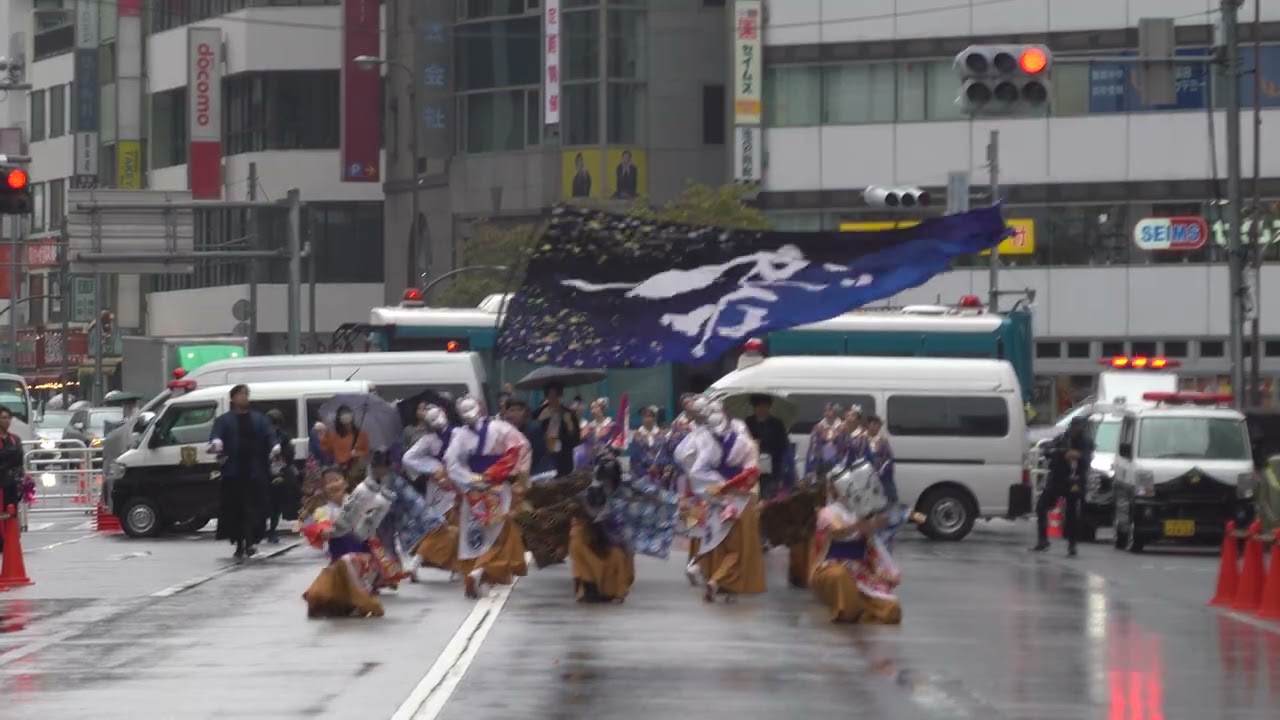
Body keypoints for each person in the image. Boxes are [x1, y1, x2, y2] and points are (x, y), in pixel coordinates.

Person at [444, 395, 532, 599]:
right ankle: (480, 571)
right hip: (498, 488)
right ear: (480, 409)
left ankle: (475, 571)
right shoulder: (501, 428)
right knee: (500, 534)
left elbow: (451, 464)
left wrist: (470, 480)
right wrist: (519, 476)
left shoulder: (460, 436)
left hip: (472, 492)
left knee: (473, 534)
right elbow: (522, 448)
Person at [683, 409, 767, 603]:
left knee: (716, 542)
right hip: (740, 500)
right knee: (738, 549)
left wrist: (712, 490)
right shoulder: (744, 444)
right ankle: (719, 581)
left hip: (715, 499)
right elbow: (752, 472)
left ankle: (701, 567)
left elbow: (694, 471)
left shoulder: (707, 446)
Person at [810, 461, 902, 625]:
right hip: (832, 566)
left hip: (860, 568)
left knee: (892, 610)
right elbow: (838, 530)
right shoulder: (828, 512)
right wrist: (860, 523)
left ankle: (865, 611)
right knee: (839, 577)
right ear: (833, 490)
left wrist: (876, 518)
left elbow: (873, 536)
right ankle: (850, 609)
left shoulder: (859, 511)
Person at [300, 470, 387, 618]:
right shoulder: (323, 511)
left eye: (336, 480)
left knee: (351, 565)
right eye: (328, 482)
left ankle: (362, 598)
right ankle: (352, 602)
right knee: (319, 597)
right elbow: (321, 527)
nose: (333, 484)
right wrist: (323, 532)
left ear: (345, 483)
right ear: (324, 488)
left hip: (362, 559)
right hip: (338, 562)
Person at [208, 385, 274, 560]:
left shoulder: (259, 419)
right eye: (241, 394)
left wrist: (274, 446)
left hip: (255, 471)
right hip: (233, 473)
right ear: (233, 398)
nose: (245, 397)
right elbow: (216, 436)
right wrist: (216, 443)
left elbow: (269, 435)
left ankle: (252, 542)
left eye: (247, 394)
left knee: (254, 509)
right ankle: (239, 542)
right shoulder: (224, 420)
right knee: (235, 509)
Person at [362, 449, 445, 585]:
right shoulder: (369, 477)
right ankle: (381, 573)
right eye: (377, 467)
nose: (380, 470)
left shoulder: (396, 481)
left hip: (398, 512)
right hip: (377, 514)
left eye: (383, 467)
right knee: (377, 545)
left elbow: (414, 499)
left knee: (395, 544)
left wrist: (434, 517)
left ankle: (393, 573)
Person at [567, 449, 638, 603]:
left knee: (620, 555)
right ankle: (586, 585)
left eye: (611, 481)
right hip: (588, 535)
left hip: (613, 538)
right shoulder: (584, 487)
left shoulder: (626, 494)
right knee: (577, 541)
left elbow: (628, 533)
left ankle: (617, 590)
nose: (607, 485)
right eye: (605, 481)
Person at [401, 405, 462, 576]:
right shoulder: (428, 440)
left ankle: (454, 567)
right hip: (441, 487)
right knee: (441, 527)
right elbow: (408, 458)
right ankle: (417, 562)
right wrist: (433, 468)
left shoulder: (459, 434)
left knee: (457, 528)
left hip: (460, 483)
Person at [1032, 415, 1093, 557]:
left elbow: (1086, 457)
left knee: (1071, 513)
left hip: (1074, 481)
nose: (1075, 430)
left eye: (1078, 428)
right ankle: (1043, 540)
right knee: (1041, 507)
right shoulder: (1063, 438)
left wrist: (1076, 455)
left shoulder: (1085, 442)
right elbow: (1049, 448)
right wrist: (1052, 450)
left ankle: (1072, 545)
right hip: (1058, 479)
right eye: (1074, 427)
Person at [744, 395, 790, 500]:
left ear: (769, 407)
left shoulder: (777, 423)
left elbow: (783, 445)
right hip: (752, 467)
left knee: (769, 497)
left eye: (764, 406)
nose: (761, 409)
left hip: (772, 468)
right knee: (753, 497)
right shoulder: (748, 422)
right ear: (754, 407)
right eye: (758, 406)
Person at [265, 408, 300, 544]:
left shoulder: (284, 437)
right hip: (266, 472)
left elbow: (290, 455)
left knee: (276, 504)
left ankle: (272, 531)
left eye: (276, 423)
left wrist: (282, 458)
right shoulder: (264, 436)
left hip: (280, 472)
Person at [320, 405, 371, 488]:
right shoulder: (333, 434)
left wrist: (357, 453)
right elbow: (325, 448)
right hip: (340, 469)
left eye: (347, 413)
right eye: (343, 414)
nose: (346, 416)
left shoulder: (360, 434)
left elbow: (367, 451)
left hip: (356, 469)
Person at [536, 383, 581, 477]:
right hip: (544, 460)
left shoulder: (569, 414)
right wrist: (540, 419)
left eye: (556, 395)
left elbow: (576, 440)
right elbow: (532, 434)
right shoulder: (539, 412)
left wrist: (570, 425)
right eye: (550, 395)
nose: (553, 398)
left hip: (564, 459)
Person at [0, 407, 24, 550]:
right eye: (3, 418)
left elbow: (19, 461)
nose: (7, 421)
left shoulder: (15, 439)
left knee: (11, 512)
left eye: (8, 417)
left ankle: (10, 540)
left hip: (11, 484)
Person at [504, 399, 547, 476]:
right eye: (512, 410)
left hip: (539, 473)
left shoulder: (534, 428)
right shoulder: (508, 430)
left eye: (519, 410)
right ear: (507, 413)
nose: (516, 413)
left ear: (525, 412)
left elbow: (534, 455)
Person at [575, 398, 619, 469]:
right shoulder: (588, 426)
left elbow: (616, 443)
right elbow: (580, 439)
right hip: (590, 460)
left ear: (602, 408)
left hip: (606, 460)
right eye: (591, 408)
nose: (593, 410)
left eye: (595, 407)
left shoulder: (611, 425)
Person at [628, 406, 667, 483]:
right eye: (645, 417)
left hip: (660, 471)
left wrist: (658, 465)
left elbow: (665, 452)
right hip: (643, 472)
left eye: (649, 416)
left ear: (654, 418)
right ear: (641, 419)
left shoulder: (661, 434)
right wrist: (648, 467)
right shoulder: (637, 435)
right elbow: (635, 455)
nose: (647, 419)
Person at [806, 403, 845, 478]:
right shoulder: (818, 427)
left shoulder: (842, 427)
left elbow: (844, 445)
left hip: (838, 462)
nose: (828, 412)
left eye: (830, 410)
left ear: (836, 412)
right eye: (826, 410)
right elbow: (812, 447)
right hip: (820, 461)